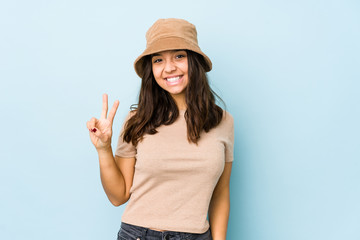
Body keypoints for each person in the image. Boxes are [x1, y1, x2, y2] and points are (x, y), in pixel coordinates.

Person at [86, 18, 234, 240]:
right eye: (158, 60)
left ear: (194, 61)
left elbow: (220, 194)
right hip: (138, 234)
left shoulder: (223, 121)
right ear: (151, 70)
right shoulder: (137, 120)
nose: (169, 68)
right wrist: (104, 148)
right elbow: (118, 196)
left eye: (179, 56)